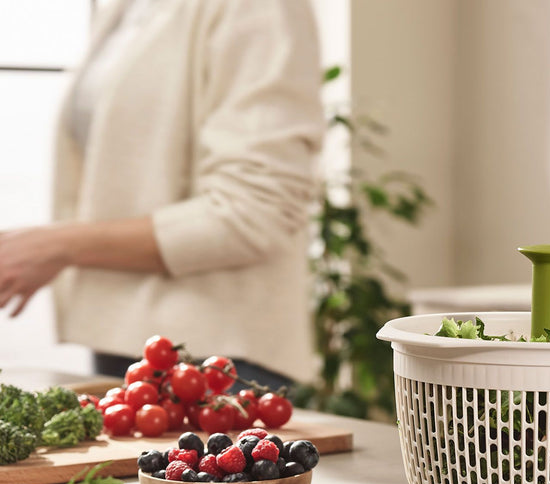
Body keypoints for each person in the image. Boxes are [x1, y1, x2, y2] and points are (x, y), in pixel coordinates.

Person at [0, 0, 326, 391]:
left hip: (218, 359)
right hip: (122, 341)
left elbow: (256, 210)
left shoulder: (261, 8)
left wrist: (62, 244)